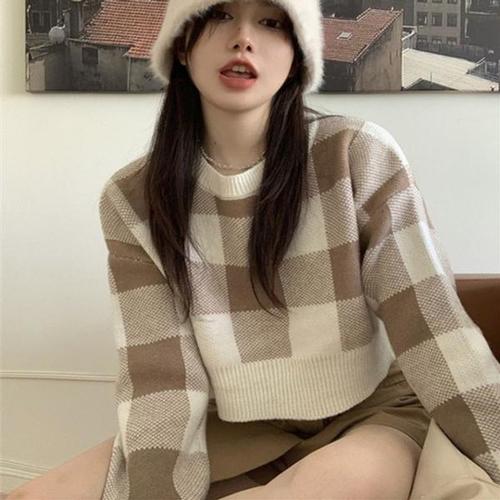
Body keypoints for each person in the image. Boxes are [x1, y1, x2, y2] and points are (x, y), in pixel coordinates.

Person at [9, 1, 498, 499]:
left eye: (271, 23)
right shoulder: (132, 199)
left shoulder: (356, 153)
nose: (243, 38)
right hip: (233, 426)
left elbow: (434, 329)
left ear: (298, 55)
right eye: (220, 14)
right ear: (182, 43)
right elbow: (161, 382)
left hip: (371, 415)